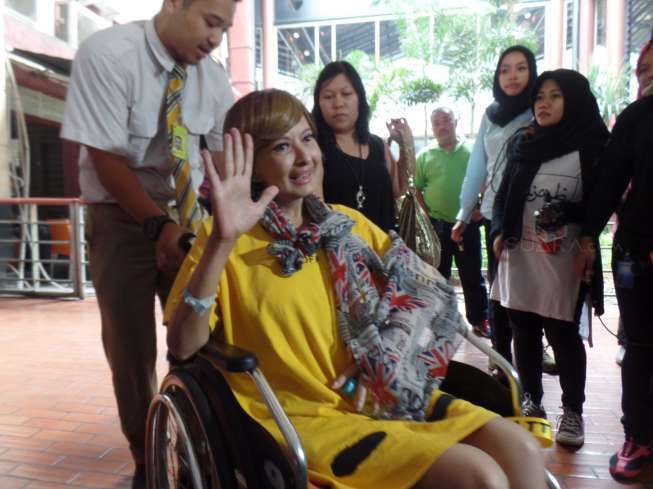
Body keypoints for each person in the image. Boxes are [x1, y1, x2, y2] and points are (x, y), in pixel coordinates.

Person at [164, 88, 549, 489]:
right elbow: (184, 345)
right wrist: (223, 242)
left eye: (307, 138)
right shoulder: (223, 241)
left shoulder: (348, 225)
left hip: (380, 394)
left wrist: (386, 354)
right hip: (299, 418)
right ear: (253, 165)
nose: (304, 156)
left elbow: (431, 292)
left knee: (520, 447)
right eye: (281, 145)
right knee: (480, 476)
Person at [60, 1, 239, 486]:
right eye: (210, 22)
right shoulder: (108, 55)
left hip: (187, 218)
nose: (216, 38)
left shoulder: (213, 79)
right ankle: (150, 461)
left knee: (207, 338)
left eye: (225, 28)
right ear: (175, 3)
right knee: (130, 348)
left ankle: (206, 450)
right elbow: (104, 158)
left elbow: (225, 161)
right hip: (119, 218)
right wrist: (156, 226)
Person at [491, 69, 608, 449]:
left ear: (572, 101)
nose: (544, 103)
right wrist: (496, 233)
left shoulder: (592, 147)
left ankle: (572, 410)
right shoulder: (525, 144)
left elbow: (600, 205)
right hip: (519, 254)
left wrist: (568, 217)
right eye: (540, 96)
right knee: (522, 329)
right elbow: (501, 196)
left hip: (564, 259)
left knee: (562, 334)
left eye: (555, 96)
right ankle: (532, 402)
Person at [577, 37, 653, 481]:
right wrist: (588, 235)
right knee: (640, 346)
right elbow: (609, 180)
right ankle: (637, 434)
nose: (647, 75)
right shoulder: (635, 118)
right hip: (637, 255)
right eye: (643, 68)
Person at [451, 46, 538, 372]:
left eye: (520, 68)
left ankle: (531, 350)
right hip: (494, 216)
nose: (512, 76)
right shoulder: (491, 114)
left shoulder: (538, 109)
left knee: (528, 293)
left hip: (532, 215)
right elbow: (477, 166)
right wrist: (463, 212)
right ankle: (500, 359)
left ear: (531, 71)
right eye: (505, 69)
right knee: (499, 291)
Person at [415, 107, 489, 338]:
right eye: (436, 122)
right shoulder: (425, 155)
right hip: (437, 227)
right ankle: (438, 322)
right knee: (437, 276)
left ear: (456, 121)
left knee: (472, 275)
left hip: (467, 225)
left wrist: (481, 207)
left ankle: (479, 321)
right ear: (432, 127)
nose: (442, 125)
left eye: (446, 119)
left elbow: (488, 180)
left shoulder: (472, 152)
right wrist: (427, 217)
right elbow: (417, 188)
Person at [312, 61, 412, 232]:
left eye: (346, 94)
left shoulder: (378, 146)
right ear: (318, 104)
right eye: (328, 97)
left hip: (384, 250)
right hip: (338, 254)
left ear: (359, 98)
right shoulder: (313, 149)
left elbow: (401, 190)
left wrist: (406, 146)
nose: (338, 103)